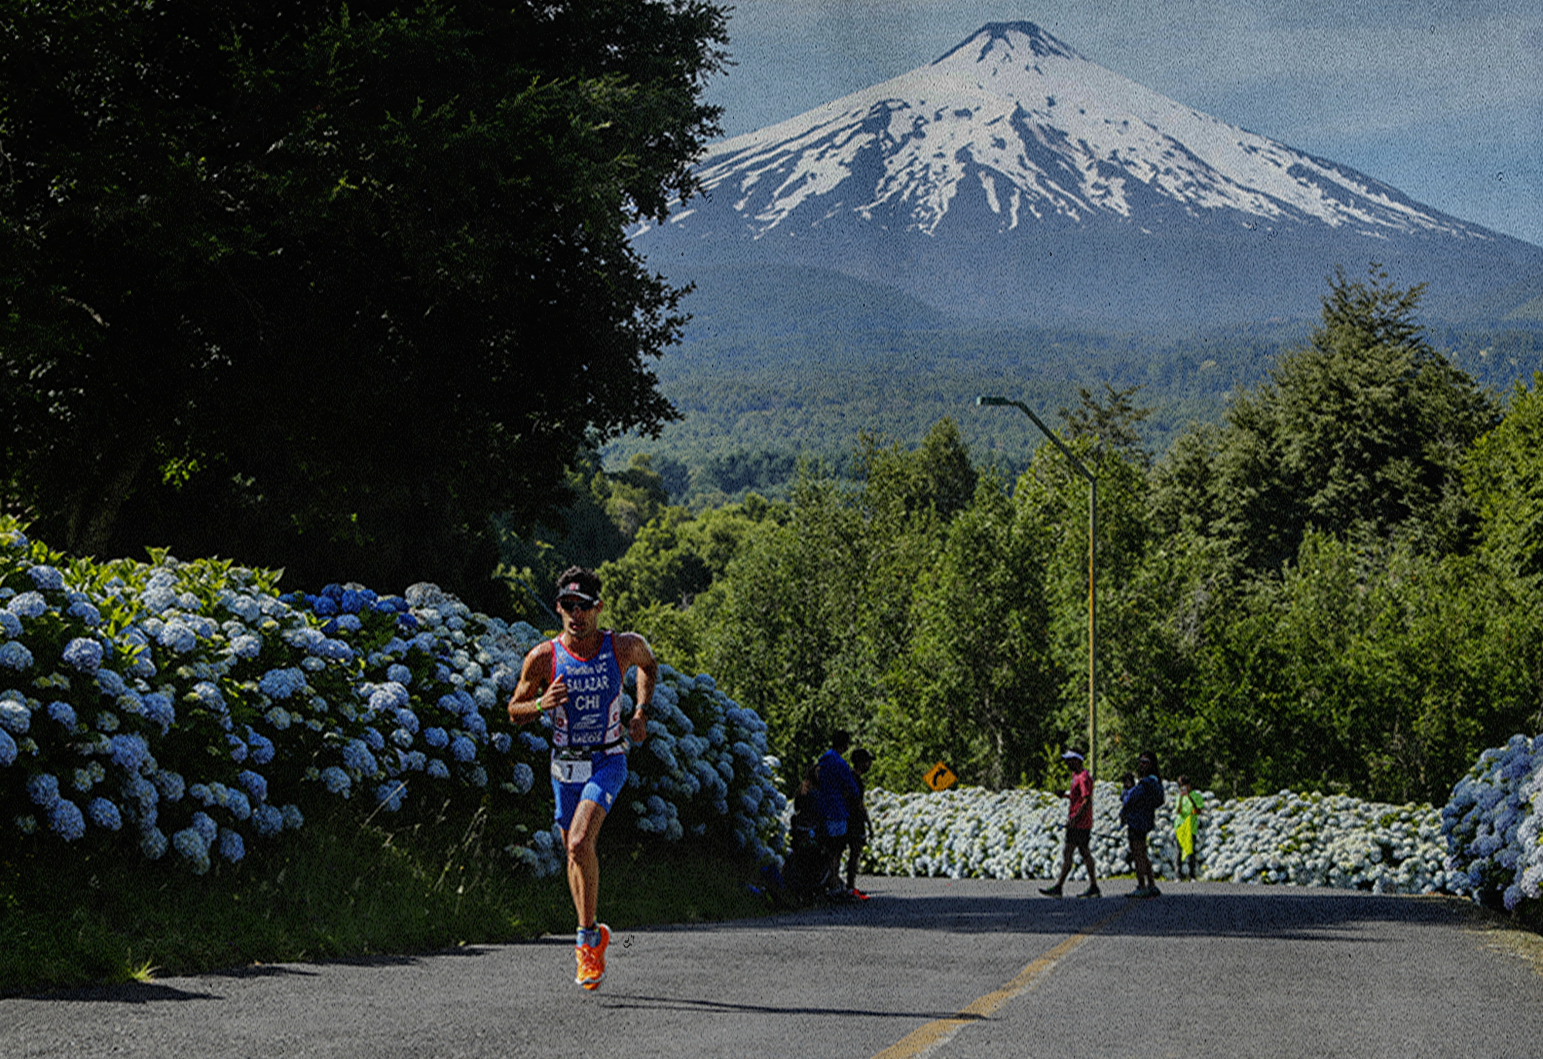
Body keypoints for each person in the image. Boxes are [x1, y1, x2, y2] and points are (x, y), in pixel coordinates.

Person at [508, 566, 656, 990]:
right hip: (564, 766)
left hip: (608, 758)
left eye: (585, 607)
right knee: (573, 854)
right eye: (569, 606)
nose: (577, 615)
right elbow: (513, 711)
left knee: (578, 841)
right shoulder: (542, 657)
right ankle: (591, 933)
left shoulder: (623, 646)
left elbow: (650, 666)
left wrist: (641, 711)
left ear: (599, 608)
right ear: (558, 607)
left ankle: (586, 941)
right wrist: (540, 705)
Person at [1040, 749, 1100, 898]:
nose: (1066, 763)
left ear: (1078, 760)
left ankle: (1059, 887)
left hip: (1080, 823)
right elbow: (1077, 797)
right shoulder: (1075, 776)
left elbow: (1086, 801)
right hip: (1077, 822)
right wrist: (1065, 795)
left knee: (1070, 852)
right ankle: (1093, 887)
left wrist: (1074, 819)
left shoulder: (1084, 777)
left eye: (1069, 760)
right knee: (1084, 853)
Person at [814, 731, 862, 899]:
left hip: (821, 809)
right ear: (844, 745)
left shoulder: (823, 760)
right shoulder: (840, 764)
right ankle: (834, 882)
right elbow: (853, 790)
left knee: (826, 848)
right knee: (836, 849)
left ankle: (825, 880)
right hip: (837, 811)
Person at [1123, 750, 1164, 898]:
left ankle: (1142, 885)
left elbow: (1131, 799)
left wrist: (1125, 809)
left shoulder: (1146, 783)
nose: (1141, 764)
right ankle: (1151, 884)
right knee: (1143, 853)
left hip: (1137, 820)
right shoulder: (1156, 781)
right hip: (1146, 819)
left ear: (1151, 764)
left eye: (1145, 762)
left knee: (1137, 853)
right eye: (1140, 761)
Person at [843, 747, 874, 899]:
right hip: (855, 821)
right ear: (861, 762)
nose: (870, 764)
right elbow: (858, 803)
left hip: (846, 819)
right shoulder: (856, 780)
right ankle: (850, 886)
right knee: (854, 854)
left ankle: (847, 885)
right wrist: (868, 822)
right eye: (868, 761)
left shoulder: (848, 777)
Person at [1173, 775, 1203, 881]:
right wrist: (1181, 798)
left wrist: (1190, 798)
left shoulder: (1196, 795)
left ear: (1189, 785)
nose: (1183, 788)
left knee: (1191, 852)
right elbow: (1178, 811)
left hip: (1191, 826)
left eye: (1184, 786)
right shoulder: (1179, 797)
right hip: (1180, 825)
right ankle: (1178, 875)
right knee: (1178, 852)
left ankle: (1192, 875)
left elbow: (1198, 811)